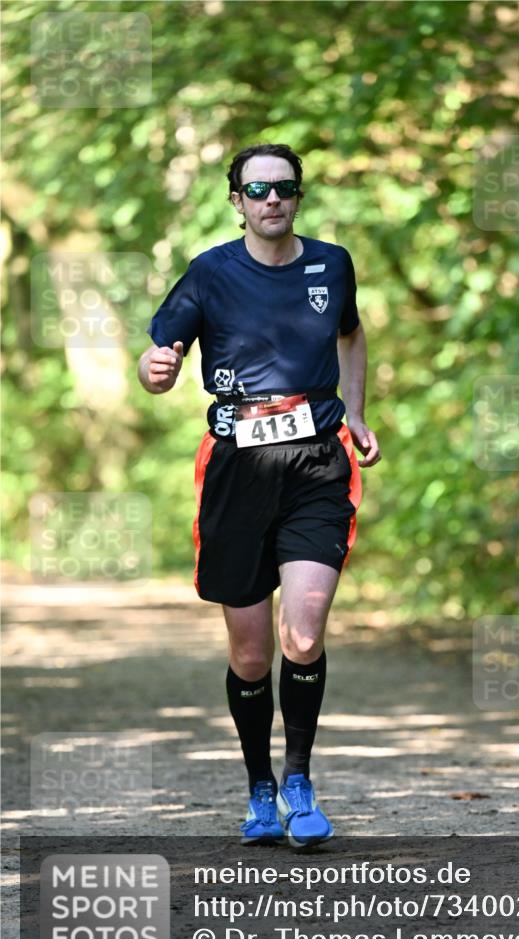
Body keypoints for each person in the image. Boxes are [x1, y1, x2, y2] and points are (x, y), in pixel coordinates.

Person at [138, 142, 380, 848]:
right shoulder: (210, 273)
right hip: (236, 467)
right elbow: (158, 361)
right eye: (257, 189)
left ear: (298, 196)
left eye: (284, 187)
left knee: (302, 635)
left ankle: (299, 781)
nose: (272, 199)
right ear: (236, 201)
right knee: (250, 656)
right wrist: (155, 372)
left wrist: (356, 412)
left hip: (317, 462)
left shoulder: (331, 264)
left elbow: (351, 333)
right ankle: (259, 790)